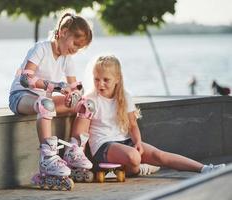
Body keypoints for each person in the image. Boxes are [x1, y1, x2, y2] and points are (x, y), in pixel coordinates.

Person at [71, 55, 226, 176]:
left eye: (106, 80)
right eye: (96, 79)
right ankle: (139, 169)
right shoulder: (91, 99)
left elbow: (132, 125)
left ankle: (205, 169)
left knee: (159, 156)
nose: (100, 84)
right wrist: (78, 157)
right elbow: (80, 132)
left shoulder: (124, 96)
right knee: (133, 157)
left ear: (117, 79)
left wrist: (137, 141)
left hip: (125, 141)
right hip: (103, 146)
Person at [9, 13, 94, 189]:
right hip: (21, 96)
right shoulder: (40, 48)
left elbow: (74, 86)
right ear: (63, 32)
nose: (75, 50)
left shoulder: (67, 59)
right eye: (75, 44)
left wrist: (75, 95)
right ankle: (47, 159)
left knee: (86, 105)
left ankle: (74, 152)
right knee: (45, 104)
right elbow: (26, 78)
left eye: (80, 48)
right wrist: (55, 87)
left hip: (43, 99)